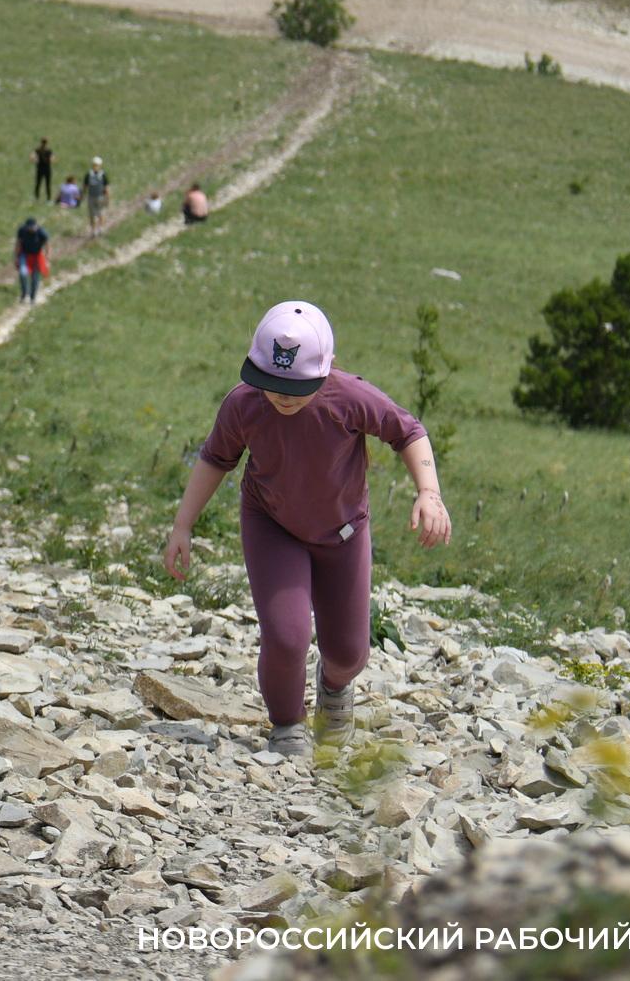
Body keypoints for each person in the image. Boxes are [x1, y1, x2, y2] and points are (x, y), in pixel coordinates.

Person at [162, 301, 451, 757]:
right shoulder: (244, 405)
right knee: (286, 634)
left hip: (343, 531)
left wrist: (428, 492)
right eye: (272, 384)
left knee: (350, 652)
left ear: (326, 369)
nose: (283, 396)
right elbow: (216, 458)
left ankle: (334, 687)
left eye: (296, 387)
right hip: (272, 525)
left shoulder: (350, 397)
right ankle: (287, 724)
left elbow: (408, 431)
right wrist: (182, 525)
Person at [15, 217, 50, 302]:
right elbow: (18, 243)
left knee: (35, 277)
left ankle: (32, 297)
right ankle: (24, 294)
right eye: (29, 227)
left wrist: (47, 260)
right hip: (24, 255)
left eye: (32, 227)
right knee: (23, 273)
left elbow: (47, 246)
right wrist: (16, 257)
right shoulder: (22, 231)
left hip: (37, 256)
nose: (31, 229)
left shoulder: (42, 233)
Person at [85, 156, 112, 237]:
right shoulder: (102, 175)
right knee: (99, 213)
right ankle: (98, 229)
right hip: (96, 196)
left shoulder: (89, 174)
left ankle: (96, 230)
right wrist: (108, 198)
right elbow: (106, 187)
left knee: (96, 214)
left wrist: (107, 197)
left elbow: (85, 186)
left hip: (95, 196)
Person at [31, 137, 54, 202]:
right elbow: (53, 159)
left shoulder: (38, 150)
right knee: (47, 184)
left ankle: (36, 198)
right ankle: (48, 199)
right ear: (46, 143)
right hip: (47, 169)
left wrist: (36, 160)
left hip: (40, 168)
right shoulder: (49, 150)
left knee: (38, 183)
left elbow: (32, 157)